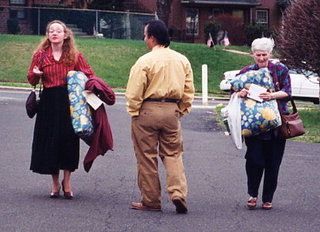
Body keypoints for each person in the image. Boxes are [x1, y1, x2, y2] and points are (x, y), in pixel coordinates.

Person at [125, 20, 195, 214]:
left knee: (146, 157)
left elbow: (134, 91)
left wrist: (134, 110)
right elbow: (189, 90)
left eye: (145, 35)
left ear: (152, 38)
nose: (144, 39)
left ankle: (151, 200)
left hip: (147, 110)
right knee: (173, 154)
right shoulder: (182, 60)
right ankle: (177, 193)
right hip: (171, 110)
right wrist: (181, 109)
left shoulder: (144, 61)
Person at [27, 20, 94, 199]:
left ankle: (67, 181)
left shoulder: (75, 55)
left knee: (68, 141)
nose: (54, 33)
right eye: (51, 31)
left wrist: (87, 85)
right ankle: (55, 183)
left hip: (69, 103)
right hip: (48, 103)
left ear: (65, 35)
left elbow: (89, 75)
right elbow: (31, 79)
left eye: (58, 31)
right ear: (48, 35)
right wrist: (36, 74)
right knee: (50, 142)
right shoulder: (40, 56)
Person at [236, 38, 291, 210]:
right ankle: (252, 194)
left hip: (276, 124)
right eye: (258, 55)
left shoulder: (280, 70)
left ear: (270, 54)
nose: (261, 58)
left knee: (273, 164)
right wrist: (241, 92)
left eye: (264, 55)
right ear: (253, 54)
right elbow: (235, 89)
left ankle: (268, 198)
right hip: (254, 125)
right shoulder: (246, 71)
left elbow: (287, 92)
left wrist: (272, 95)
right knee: (254, 161)